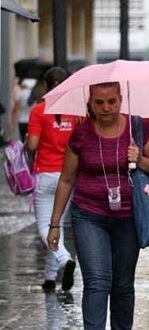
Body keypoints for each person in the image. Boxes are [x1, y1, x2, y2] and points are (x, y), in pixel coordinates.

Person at [46, 81, 149, 330]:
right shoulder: (81, 135)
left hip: (128, 217)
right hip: (89, 215)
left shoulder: (138, 128)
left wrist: (140, 160)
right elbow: (66, 179)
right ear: (91, 103)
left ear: (120, 99)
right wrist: (54, 224)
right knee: (98, 280)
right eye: (99, 103)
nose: (106, 108)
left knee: (122, 283)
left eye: (111, 101)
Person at [25, 67, 78, 292]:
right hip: (69, 177)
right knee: (57, 224)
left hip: (46, 175)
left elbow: (33, 146)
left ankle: (64, 259)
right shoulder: (77, 113)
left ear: (46, 87)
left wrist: (28, 140)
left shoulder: (38, 111)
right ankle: (49, 277)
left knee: (45, 225)